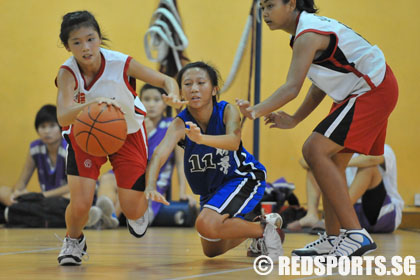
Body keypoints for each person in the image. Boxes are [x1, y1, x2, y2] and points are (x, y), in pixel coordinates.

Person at [237, 0, 398, 257]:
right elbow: (319, 85)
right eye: (262, 8)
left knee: (313, 148)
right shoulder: (305, 33)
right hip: (361, 90)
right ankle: (333, 238)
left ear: (291, 4)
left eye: (270, 5)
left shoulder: (307, 34)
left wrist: (255, 110)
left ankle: (355, 234)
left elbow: (292, 88)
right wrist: (295, 119)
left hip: (371, 89)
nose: (264, 13)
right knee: (332, 161)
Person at [55, 10, 185, 265]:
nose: (86, 47)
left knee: (132, 208)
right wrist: (90, 106)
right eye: (77, 42)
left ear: (100, 38)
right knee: (80, 205)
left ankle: (136, 212)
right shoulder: (67, 74)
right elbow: (62, 116)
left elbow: (166, 79)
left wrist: (172, 94)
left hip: (127, 132)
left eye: (91, 39)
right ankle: (73, 240)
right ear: (67, 46)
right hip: (86, 134)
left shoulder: (120, 63)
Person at [145, 61, 283, 259]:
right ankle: (263, 224)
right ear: (181, 91)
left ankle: (267, 232)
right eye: (188, 84)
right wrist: (150, 185)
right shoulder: (180, 123)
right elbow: (159, 154)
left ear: (214, 89)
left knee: (205, 224)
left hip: (242, 177)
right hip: (211, 189)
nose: (194, 89)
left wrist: (201, 139)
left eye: (201, 83)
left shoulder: (228, 111)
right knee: (212, 249)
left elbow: (233, 141)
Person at [87, 84, 195, 229]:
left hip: (150, 186)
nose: (151, 104)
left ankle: (105, 218)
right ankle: (105, 215)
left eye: (156, 100)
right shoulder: (131, 125)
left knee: (130, 182)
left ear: (165, 104)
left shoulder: (173, 125)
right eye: (146, 99)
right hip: (126, 176)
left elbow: (182, 163)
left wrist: (184, 192)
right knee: (108, 177)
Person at [289, 144, 404, 235]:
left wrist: (336, 163)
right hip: (352, 216)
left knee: (369, 169)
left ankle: (336, 214)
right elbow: (305, 161)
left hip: (383, 213)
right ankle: (311, 215)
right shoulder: (341, 153)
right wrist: (327, 163)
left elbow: (371, 160)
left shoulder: (384, 149)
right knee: (316, 168)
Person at [0, 104, 68, 221]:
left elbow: (73, 188)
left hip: (60, 198)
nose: (47, 131)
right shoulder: (35, 148)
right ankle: (17, 213)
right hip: (43, 200)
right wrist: (17, 195)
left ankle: (13, 214)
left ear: (61, 127)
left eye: (52, 126)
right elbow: (21, 183)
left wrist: (40, 196)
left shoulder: (68, 148)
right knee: (2, 191)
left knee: (66, 201)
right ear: (37, 129)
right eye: (43, 126)